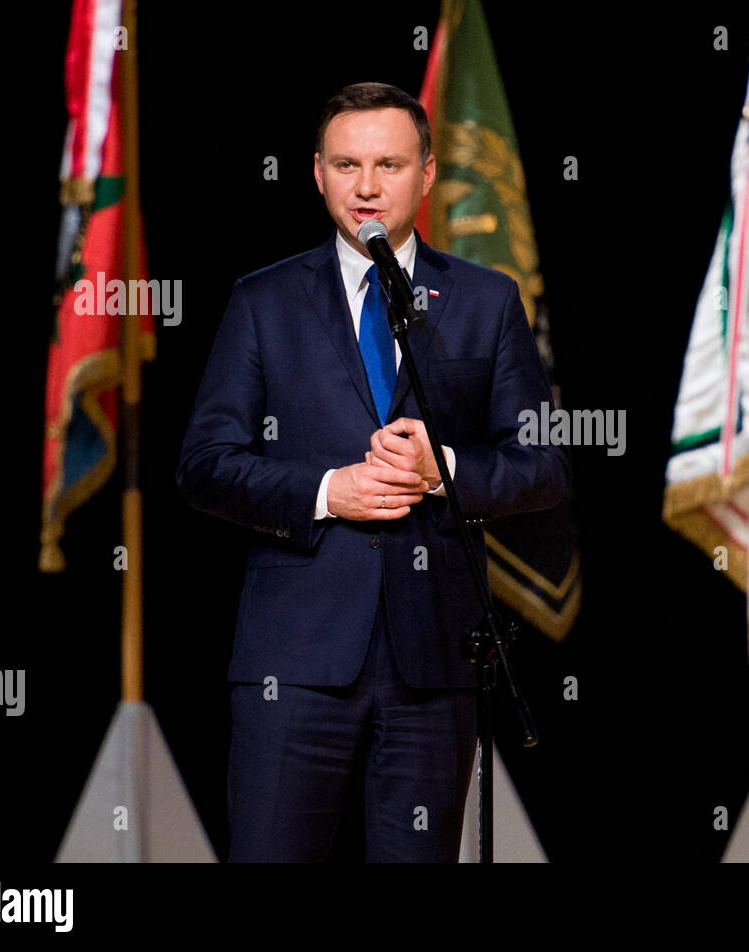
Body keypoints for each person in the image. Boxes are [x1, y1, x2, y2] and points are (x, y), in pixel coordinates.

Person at [176, 81, 570, 862]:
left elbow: (545, 466)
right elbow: (204, 466)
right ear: (316, 173)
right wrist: (329, 491)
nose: (366, 186)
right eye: (346, 164)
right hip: (292, 670)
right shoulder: (264, 301)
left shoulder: (487, 302)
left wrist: (443, 467)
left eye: (388, 163)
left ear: (427, 174)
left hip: (435, 666)